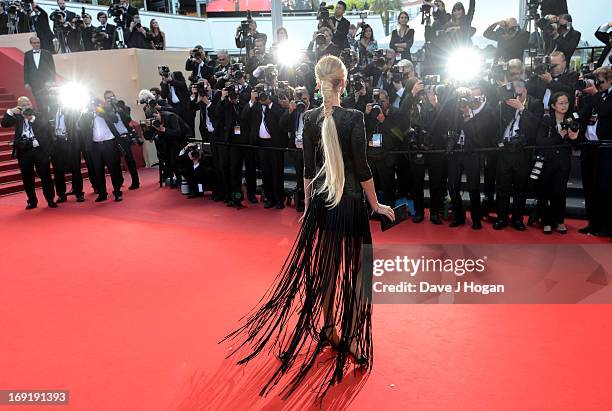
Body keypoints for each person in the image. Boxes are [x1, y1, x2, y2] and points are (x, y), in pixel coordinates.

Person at [221, 55, 395, 402]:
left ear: (318, 83)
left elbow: (307, 169)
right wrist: (376, 205)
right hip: (349, 205)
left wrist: (306, 207)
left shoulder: (311, 118)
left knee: (327, 269)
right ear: (342, 84)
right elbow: (362, 169)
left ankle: (329, 327)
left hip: (322, 204)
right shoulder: (354, 118)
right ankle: (351, 337)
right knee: (355, 274)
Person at [1, 96, 56, 209]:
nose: (26, 107)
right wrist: (10, 111)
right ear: (19, 106)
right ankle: (32, 201)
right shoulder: (17, 116)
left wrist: (31, 118)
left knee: (45, 175)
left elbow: (46, 127)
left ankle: (50, 199)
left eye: (27, 104)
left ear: (31, 104)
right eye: (23, 105)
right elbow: (4, 124)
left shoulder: (39, 114)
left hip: (39, 149)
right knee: (27, 177)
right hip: (24, 150)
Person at [535, 92, 578, 234]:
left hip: (564, 162)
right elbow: (540, 142)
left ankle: (559, 221)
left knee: (560, 192)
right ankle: (546, 221)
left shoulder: (572, 120)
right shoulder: (546, 120)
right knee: (545, 192)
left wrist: (574, 137)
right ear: (553, 105)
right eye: (561, 103)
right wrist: (559, 136)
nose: (564, 105)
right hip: (548, 161)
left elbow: (577, 143)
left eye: (566, 102)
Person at [23, 36, 56, 115]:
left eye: (38, 42)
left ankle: (51, 117)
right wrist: (26, 82)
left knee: (49, 100)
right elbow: (26, 69)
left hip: (46, 83)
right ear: (31, 44)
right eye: (35, 43)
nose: (37, 44)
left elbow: (52, 68)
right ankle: (43, 118)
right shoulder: (27, 54)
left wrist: (52, 80)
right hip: (34, 83)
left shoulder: (47, 53)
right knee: (38, 101)